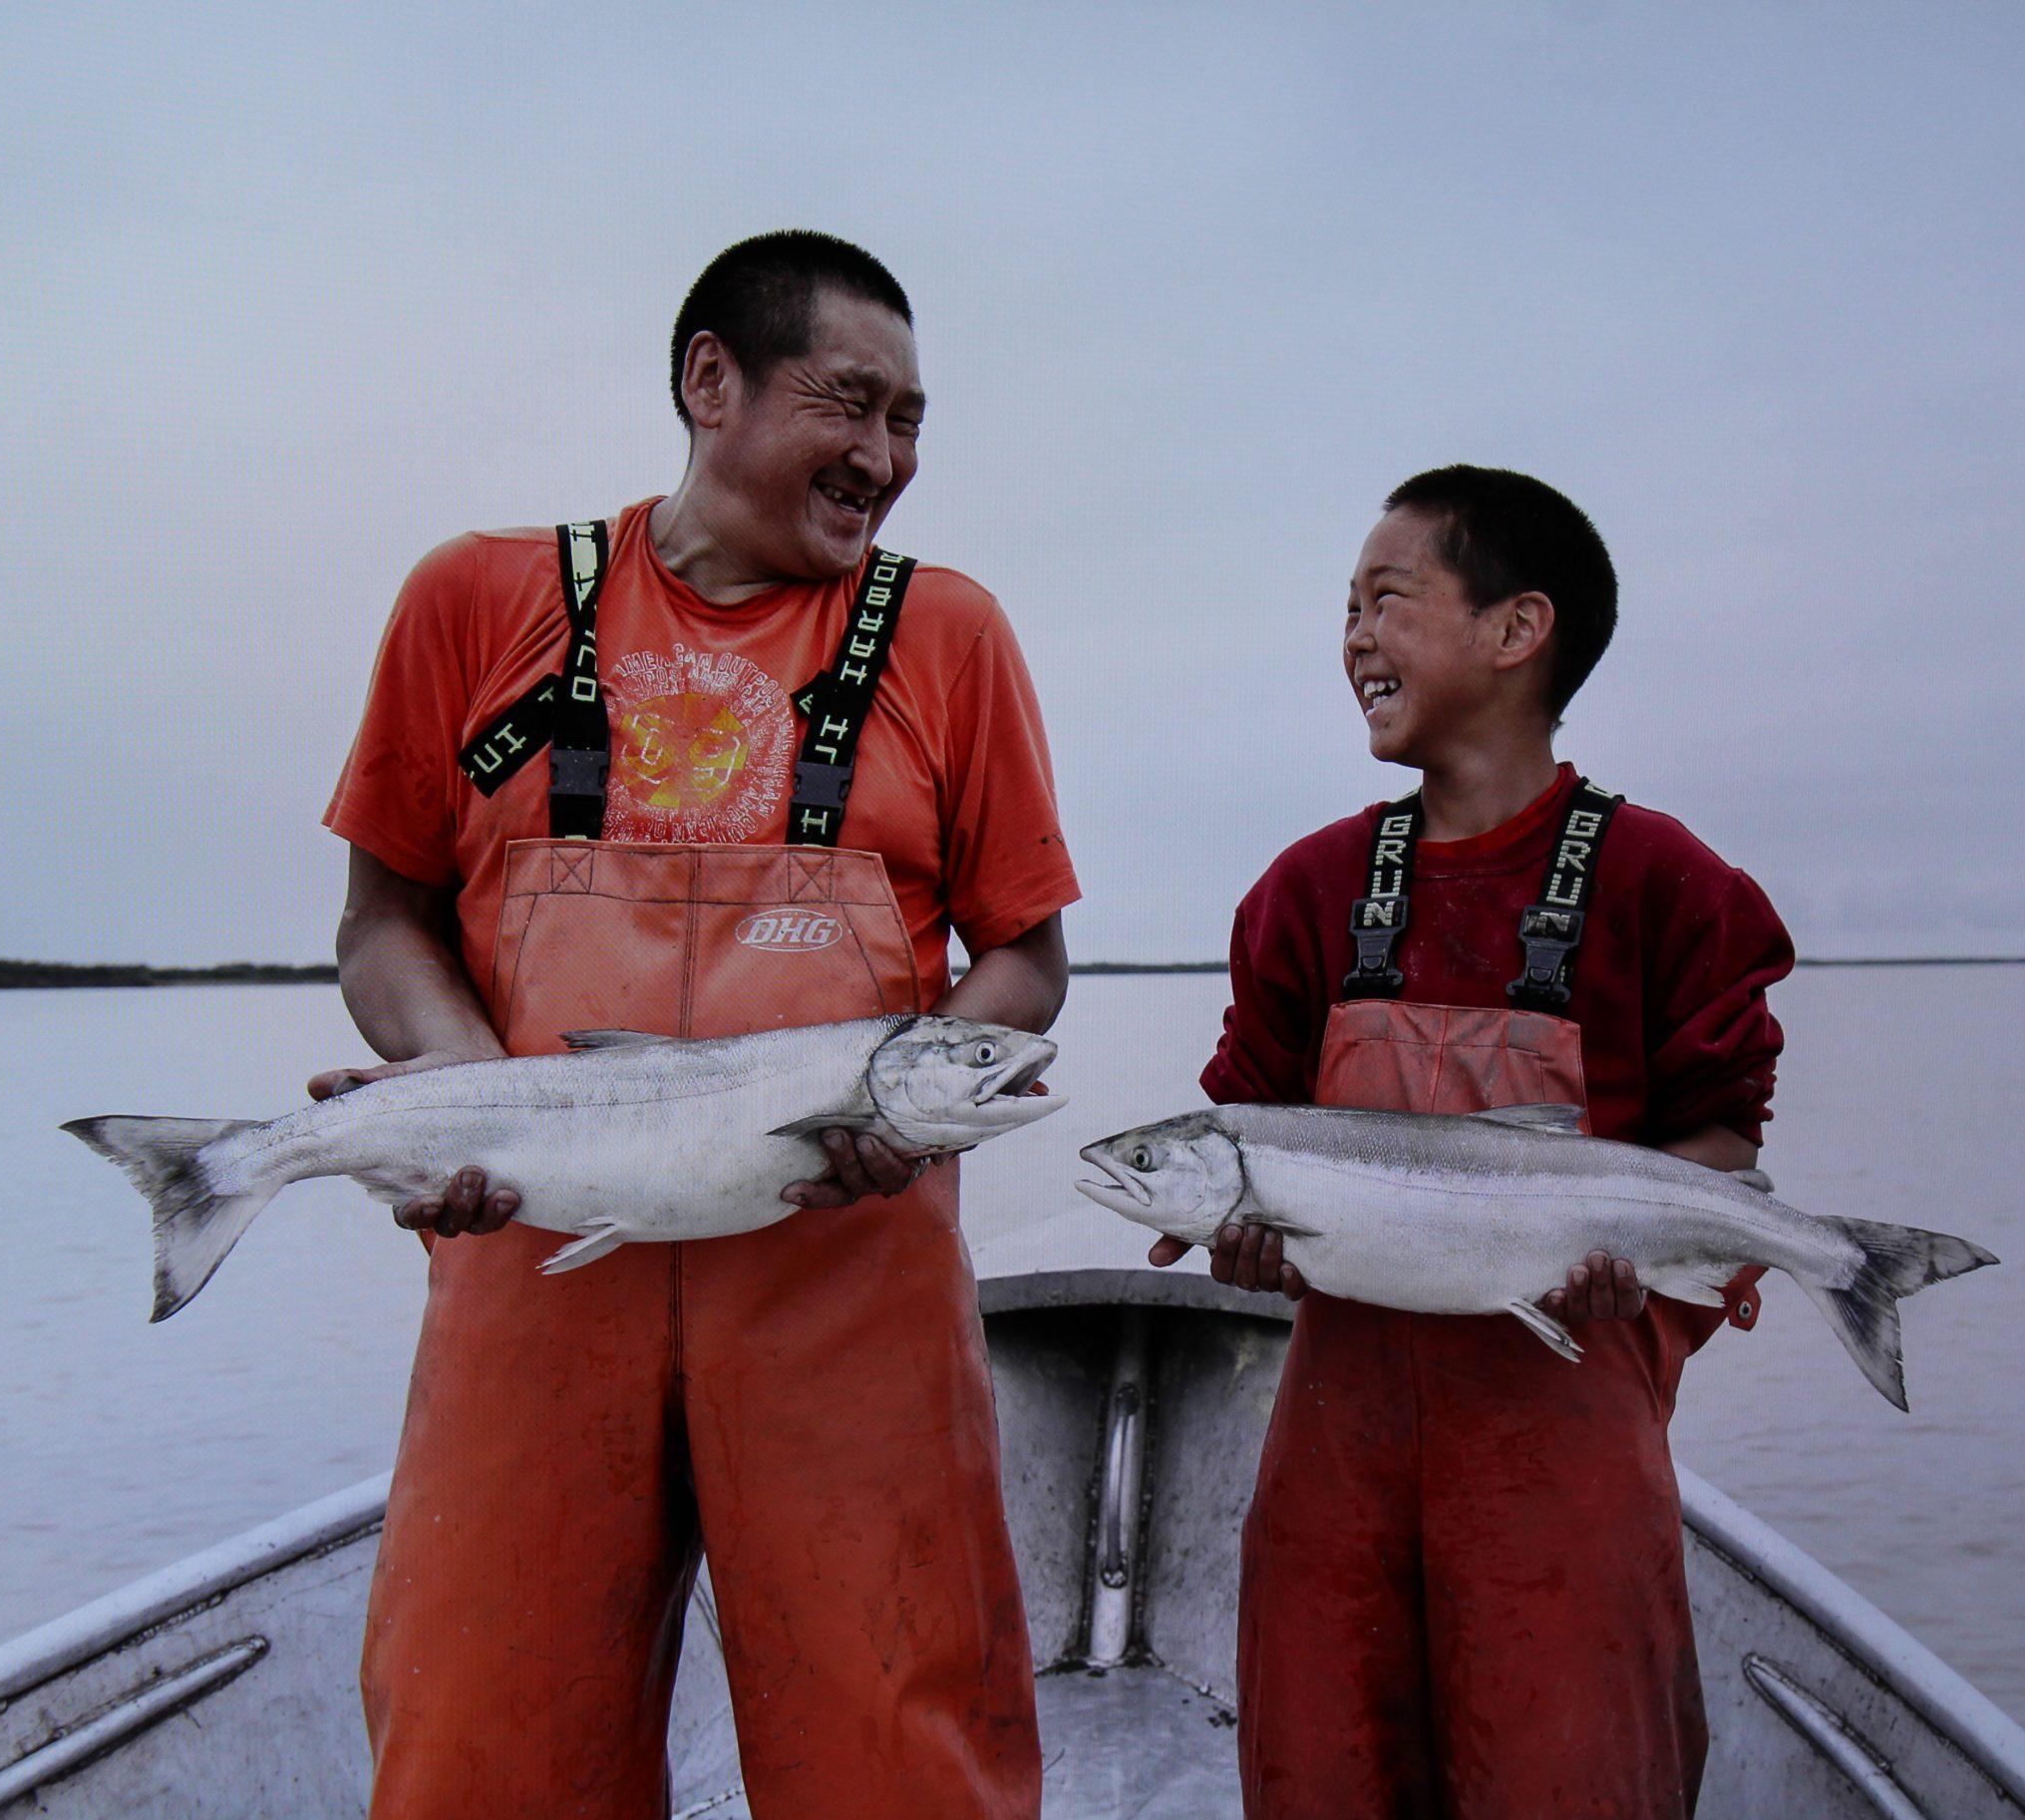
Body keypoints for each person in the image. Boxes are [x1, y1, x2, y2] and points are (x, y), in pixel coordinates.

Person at [316, 230, 1077, 1818]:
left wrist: (910, 1092)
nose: (884, 459)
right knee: (483, 1755)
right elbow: (383, 920)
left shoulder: (950, 637)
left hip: (843, 1279)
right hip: (536, 1265)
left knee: (901, 1760)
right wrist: (460, 1096)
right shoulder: (476, 601)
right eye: (851, 404)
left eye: (912, 422)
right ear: (708, 379)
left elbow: (1024, 959)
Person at [1150, 466, 1794, 1818]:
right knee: (1320, 1777)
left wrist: (1641, 1256)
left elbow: (1722, 1141)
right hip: (1333, 1477)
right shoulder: (1307, 892)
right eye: (1343, 610)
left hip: (1565, 1475)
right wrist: (1243, 1246)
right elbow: (1241, 1109)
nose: (1353, 639)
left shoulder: (1666, 884)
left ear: (1518, 630)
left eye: (1386, 600)